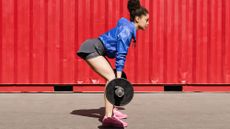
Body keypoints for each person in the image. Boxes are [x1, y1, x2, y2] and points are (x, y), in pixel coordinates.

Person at [76, 0, 149, 127]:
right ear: (137, 19)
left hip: (97, 49)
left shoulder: (126, 26)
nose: (148, 23)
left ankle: (113, 110)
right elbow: (121, 56)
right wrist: (118, 80)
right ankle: (108, 117)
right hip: (92, 48)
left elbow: (121, 20)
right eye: (146, 20)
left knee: (115, 78)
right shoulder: (126, 31)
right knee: (112, 79)